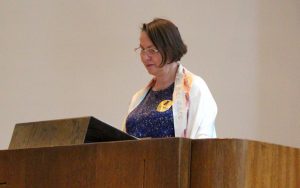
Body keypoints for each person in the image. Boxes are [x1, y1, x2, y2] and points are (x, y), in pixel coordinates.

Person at [123, 18, 217, 139]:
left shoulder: (195, 88)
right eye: (142, 49)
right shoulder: (138, 98)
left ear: (170, 49)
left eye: (152, 50)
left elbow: (203, 141)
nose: (145, 57)